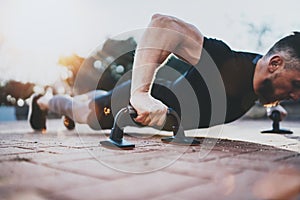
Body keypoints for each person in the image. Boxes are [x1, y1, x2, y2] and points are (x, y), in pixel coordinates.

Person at [29, 14, 300, 131]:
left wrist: (272, 105)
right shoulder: (224, 60)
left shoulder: (262, 75)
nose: (297, 96)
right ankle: (41, 101)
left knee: (91, 102)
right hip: (132, 103)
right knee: (82, 111)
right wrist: (140, 94)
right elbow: (162, 23)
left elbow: (253, 89)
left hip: (153, 109)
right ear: (275, 64)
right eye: (297, 85)